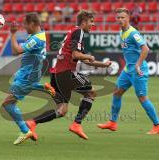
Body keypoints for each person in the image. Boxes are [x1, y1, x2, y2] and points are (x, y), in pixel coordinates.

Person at [25, 10, 112, 140]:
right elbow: (76, 55)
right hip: (66, 73)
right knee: (91, 93)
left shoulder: (74, 32)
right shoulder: (79, 32)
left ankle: (32, 122)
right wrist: (88, 55)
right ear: (84, 22)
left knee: (62, 110)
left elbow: (83, 59)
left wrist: (103, 65)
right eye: (91, 21)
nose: (93, 24)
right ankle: (76, 124)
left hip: (57, 74)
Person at [97, 8, 159, 135]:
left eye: (123, 17)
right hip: (128, 70)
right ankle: (112, 123)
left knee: (142, 98)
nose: (120, 20)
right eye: (118, 18)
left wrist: (138, 65)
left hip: (138, 71)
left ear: (128, 18)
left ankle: (158, 125)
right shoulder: (121, 32)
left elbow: (145, 49)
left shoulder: (134, 33)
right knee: (117, 93)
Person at [1, 13, 55, 145]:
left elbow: (16, 51)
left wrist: (12, 34)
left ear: (32, 23)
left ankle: (25, 131)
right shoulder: (38, 35)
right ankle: (43, 87)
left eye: (25, 24)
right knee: (12, 99)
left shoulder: (36, 39)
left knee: (7, 104)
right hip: (28, 74)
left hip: (27, 76)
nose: (24, 27)